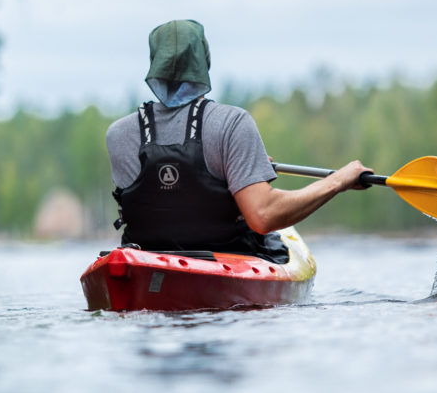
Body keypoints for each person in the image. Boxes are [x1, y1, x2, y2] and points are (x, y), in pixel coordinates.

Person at [106, 19, 372, 260]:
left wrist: (239, 170)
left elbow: (164, 199)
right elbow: (262, 216)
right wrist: (338, 181)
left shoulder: (118, 134)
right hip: (226, 265)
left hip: (145, 266)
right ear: (204, 62)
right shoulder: (232, 123)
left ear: (155, 63)